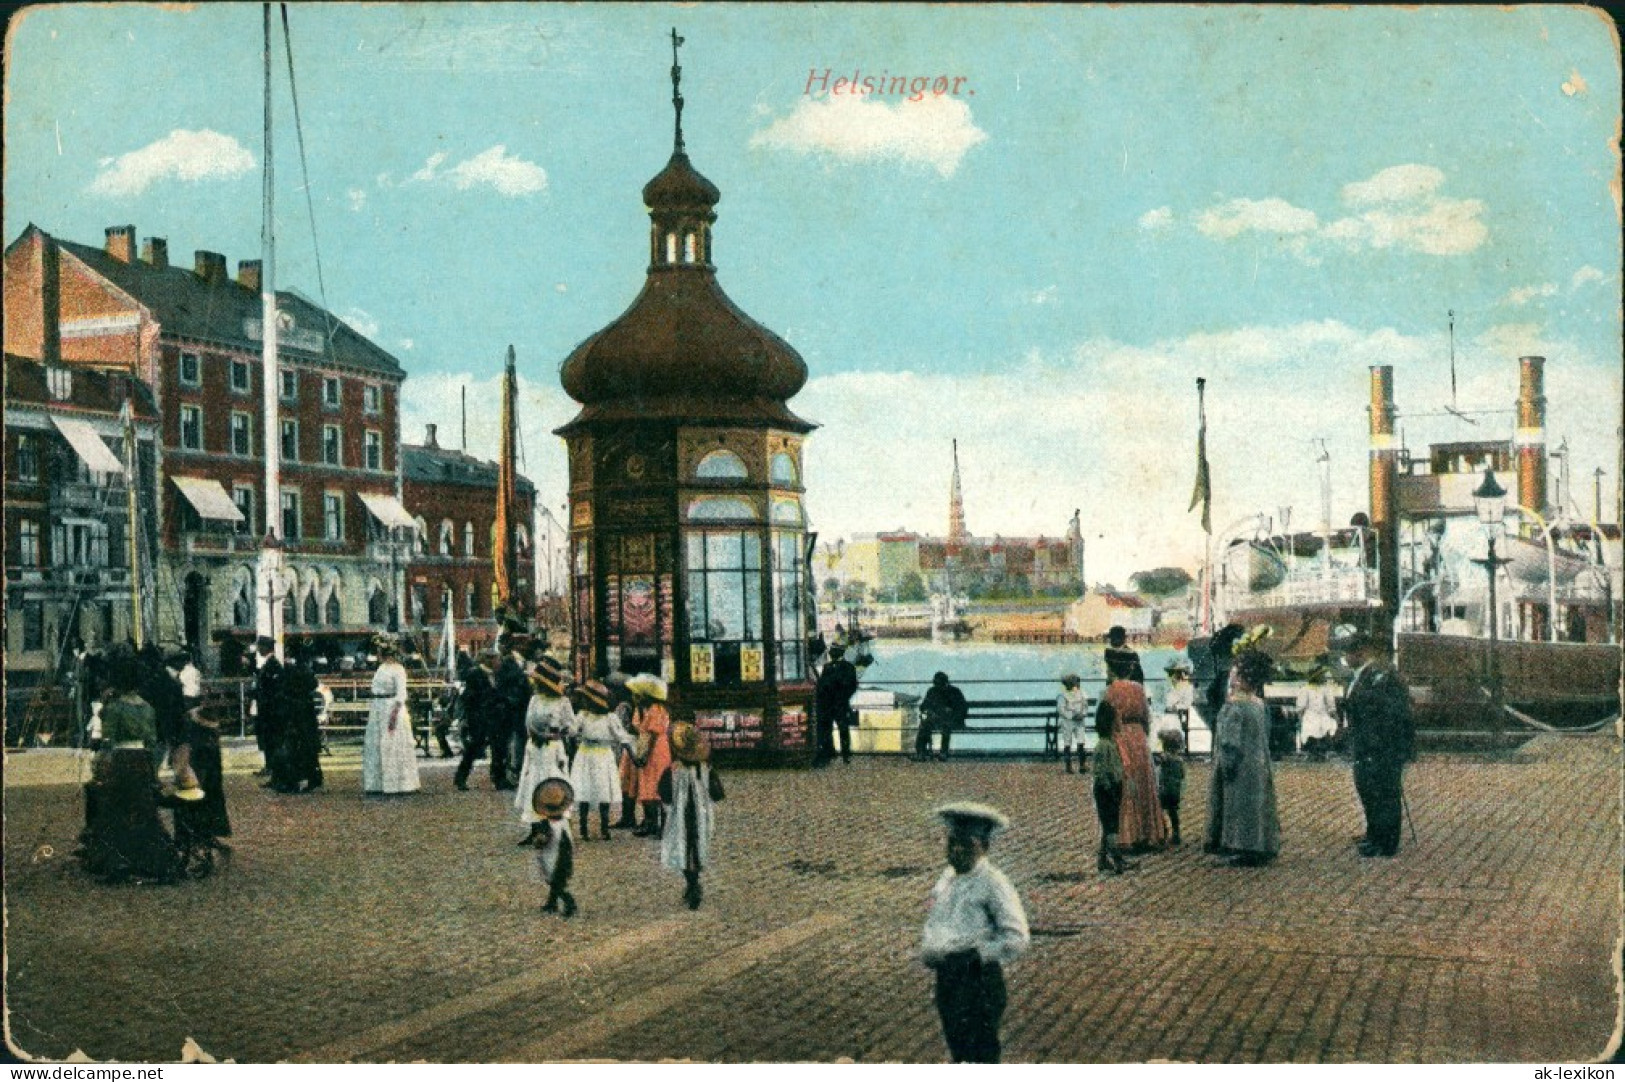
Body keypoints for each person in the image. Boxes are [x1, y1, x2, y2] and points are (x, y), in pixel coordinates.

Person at [920, 802, 1030, 1064]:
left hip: (978, 982)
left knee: (981, 1055)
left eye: (967, 844)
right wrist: (931, 950)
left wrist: (978, 955)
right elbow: (937, 921)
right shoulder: (947, 878)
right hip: (948, 979)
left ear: (983, 847)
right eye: (952, 843)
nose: (957, 850)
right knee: (958, 1051)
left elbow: (1017, 936)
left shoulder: (993, 883)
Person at [79, 647, 183, 884]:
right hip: (142, 760)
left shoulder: (115, 708)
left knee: (116, 811)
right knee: (143, 813)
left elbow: (108, 740)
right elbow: (151, 740)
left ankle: (118, 863)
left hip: (121, 760)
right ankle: (155, 862)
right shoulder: (147, 707)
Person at [1332, 625, 1414, 858]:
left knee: (1384, 793)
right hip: (1365, 744)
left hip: (1382, 746)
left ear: (1361, 652)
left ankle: (1386, 842)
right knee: (1368, 790)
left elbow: (1388, 712)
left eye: (1349, 652)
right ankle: (1374, 833)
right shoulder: (1361, 675)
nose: (1346, 658)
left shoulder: (1381, 675)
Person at [1205, 647, 1281, 867]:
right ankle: (1261, 843)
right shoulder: (1259, 704)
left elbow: (1229, 740)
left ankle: (1240, 844)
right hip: (1258, 760)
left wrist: (1225, 763)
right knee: (1257, 801)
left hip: (1238, 763)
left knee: (1237, 803)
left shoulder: (1235, 706)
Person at [1100, 652, 1168, 854]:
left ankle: (1126, 834)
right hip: (1138, 737)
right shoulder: (1139, 689)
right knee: (1143, 783)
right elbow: (1146, 717)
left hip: (1119, 734)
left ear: (1111, 668)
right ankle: (1147, 833)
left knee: (1123, 784)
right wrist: (1142, 735)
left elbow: (1104, 719)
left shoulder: (1109, 691)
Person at [658, 722, 723, 909]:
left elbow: (664, 794)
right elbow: (717, 794)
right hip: (701, 815)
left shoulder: (673, 771)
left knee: (684, 849)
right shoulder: (706, 769)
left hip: (681, 815)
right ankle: (694, 883)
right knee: (696, 847)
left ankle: (692, 885)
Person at [168, 703, 233, 877]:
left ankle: (190, 842)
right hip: (208, 783)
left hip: (194, 785)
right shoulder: (210, 738)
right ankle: (203, 839)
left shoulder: (192, 737)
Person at [515, 670, 575, 846]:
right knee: (532, 782)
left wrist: (558, 732)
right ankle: (535, 828)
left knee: (552, 782)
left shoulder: (562, 702)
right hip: (535, 746)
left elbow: (572, 726)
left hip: (553, 747)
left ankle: (552, 828)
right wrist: (536, 734)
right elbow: (528, 722)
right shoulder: (535, 699)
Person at [571, 681, 633, 841]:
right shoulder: (583, 716)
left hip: (603, 755)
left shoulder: (610, 718)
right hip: (585, 754)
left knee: (603, 790)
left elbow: (622, 736)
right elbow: (571, 730)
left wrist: (633, 753)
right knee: (584, 789)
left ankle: (604, 827)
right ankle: (583, 827)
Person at [362, 638, 421, 795]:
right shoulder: (381, 668)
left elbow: (401, 693)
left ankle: (399, 784)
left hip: (391, 707)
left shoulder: (398, 669)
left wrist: (394, 713)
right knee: (375, 744)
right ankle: (377, 783)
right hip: (378, 707)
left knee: (392, 744)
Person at [627, 674, 673, 837]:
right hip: (660, 748)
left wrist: (646, 754)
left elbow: (652, 734)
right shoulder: (657, 709)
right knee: (653, 786)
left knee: (654, 787)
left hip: (656, 750)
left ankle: (659, 825)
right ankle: (653, 823)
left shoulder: (654, 710)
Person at [1090, 703, 1132, 875]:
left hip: (1112, 787)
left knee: (1109, 826)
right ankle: (1117, 859)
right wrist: (1110, 787)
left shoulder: (1108, 743)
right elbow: (1100, 772)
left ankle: (1102, 859)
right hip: (1107, 789)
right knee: (1112, 827)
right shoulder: (1104, 746)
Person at [454, 649, 505, 791]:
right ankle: (461, 777)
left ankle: (498, 778)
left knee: (497, 749)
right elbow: (470, 697)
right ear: (489, 660)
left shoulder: (497, 675)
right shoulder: (475, 674)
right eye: (497, 660)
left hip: (494, 717)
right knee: (474, 748)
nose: (499, 663)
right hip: (479, 717)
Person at [277, 647, 324, 793]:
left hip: (294, 713)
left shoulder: (289, 672)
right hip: (306, 713)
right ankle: (310, 778)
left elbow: (283, 689)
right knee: (307, 747)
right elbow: (314, 685)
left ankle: (294, 780)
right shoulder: (307, 673)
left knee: (294, 747)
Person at [531, 778, 577, 918]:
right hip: (564, 855)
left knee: (555, 881)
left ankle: (569, 903)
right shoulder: (564, 822)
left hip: (553, 856)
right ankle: (551, 903)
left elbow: (542, 840)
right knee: (556, 881)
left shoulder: (546, 824)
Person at [813, 643, 860, 767]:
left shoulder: (844, 667)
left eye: (833, 651)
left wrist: (843, 696)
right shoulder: (834, 667)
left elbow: (852, 686)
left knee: (841, 729)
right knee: (831, 729)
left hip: (838, 703)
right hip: (832, 704)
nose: (831, 653)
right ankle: (835, 753)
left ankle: (845, 754)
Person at [494, 637, 531, 790]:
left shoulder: (520, 662)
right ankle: (503, 775)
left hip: (519, 709)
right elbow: (503, 685)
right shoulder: (508, 663)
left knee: (516, 741)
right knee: (507, 742)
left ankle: (513, 772)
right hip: (511, 709)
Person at [915, 672, 968, 761]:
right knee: (924, 725)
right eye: (936, 684)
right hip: (936, 720)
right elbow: (923, 706)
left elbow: (962, 708)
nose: (938, 686)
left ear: (945, 683)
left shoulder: (954, 691)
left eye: (940, 684)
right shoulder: (932, 691)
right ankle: (921, 752)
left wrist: (951, 712)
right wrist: (928, 710)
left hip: (952, 720)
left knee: (945, 725)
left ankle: (943, 752)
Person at [1294, 666, 1340, 759]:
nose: (1324, 678)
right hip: (1310, 714)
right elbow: (1301, 706)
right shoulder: (1305, 689)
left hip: (1323, 714)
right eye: (1321, 676)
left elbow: (1331, 705)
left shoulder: (1326, 689)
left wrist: (1335, 715)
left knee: (1326, 725)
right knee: (1310, 727)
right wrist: (1300, 719)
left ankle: (1322, 751)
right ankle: (1312, 750)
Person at [1156, 727, 1186, 846]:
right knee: (1173, 812)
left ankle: (1163, 831)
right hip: (1175, 791)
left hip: (1164, 789)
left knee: (1160, 810)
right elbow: (1182, 775)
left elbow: (1159, 760)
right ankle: (1176, 833)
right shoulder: (1179, 760)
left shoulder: (1166, 757)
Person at [1055, 674, 1090, 774]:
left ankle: (1082, 765)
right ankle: (1068, 766)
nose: (1078, 685)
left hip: (1079, 721)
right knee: (1067, 743)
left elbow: (1085, 706)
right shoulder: (1062, 695)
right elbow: (1061, 709)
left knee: (1081, 742)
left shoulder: (1081, 694)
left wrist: (1082, 714)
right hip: (1067, 721)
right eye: (1076, 682)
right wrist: (1071, 715)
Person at [1160, 659, 1196, 753]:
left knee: (1171, 723)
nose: (1173, 676)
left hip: (1176, 714)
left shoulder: (1187, 687)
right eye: (1172, 673)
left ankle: (1172, 749)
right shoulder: (1167, 685)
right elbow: (1161, 700)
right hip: (1163, 712)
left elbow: (1186, 704)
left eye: (1177, 673)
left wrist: (1175, 707)